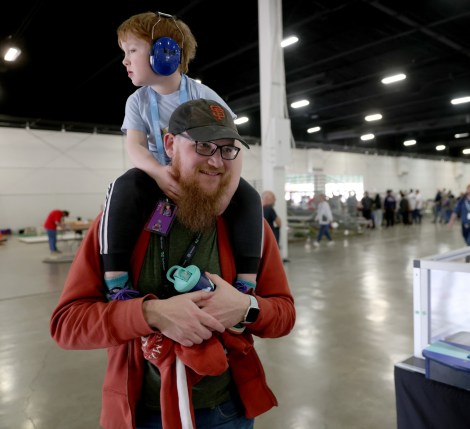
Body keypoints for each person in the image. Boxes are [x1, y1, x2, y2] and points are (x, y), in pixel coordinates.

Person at [50, 99, 296, 429]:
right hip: (143, 414)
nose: (216, 161)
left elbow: (284, 315)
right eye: (203, 146)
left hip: (226, 412)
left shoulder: (250, 229)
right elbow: (68, 325)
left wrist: (245, 307)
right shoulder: (120, 227)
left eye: (227, 150)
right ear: (170, 144)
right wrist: (152, 314)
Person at [99, 11, 262, 304]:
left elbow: (233, 147)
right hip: (164, 176)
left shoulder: (205, 96)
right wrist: (159, 174)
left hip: (199, 175)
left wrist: (227, 192)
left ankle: (247, 283)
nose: (125, 60)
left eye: (132, 50)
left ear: (165, 52)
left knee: (249, 197)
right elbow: (136, 147)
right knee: (124, 186)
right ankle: (116, 282)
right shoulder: (137, 101)